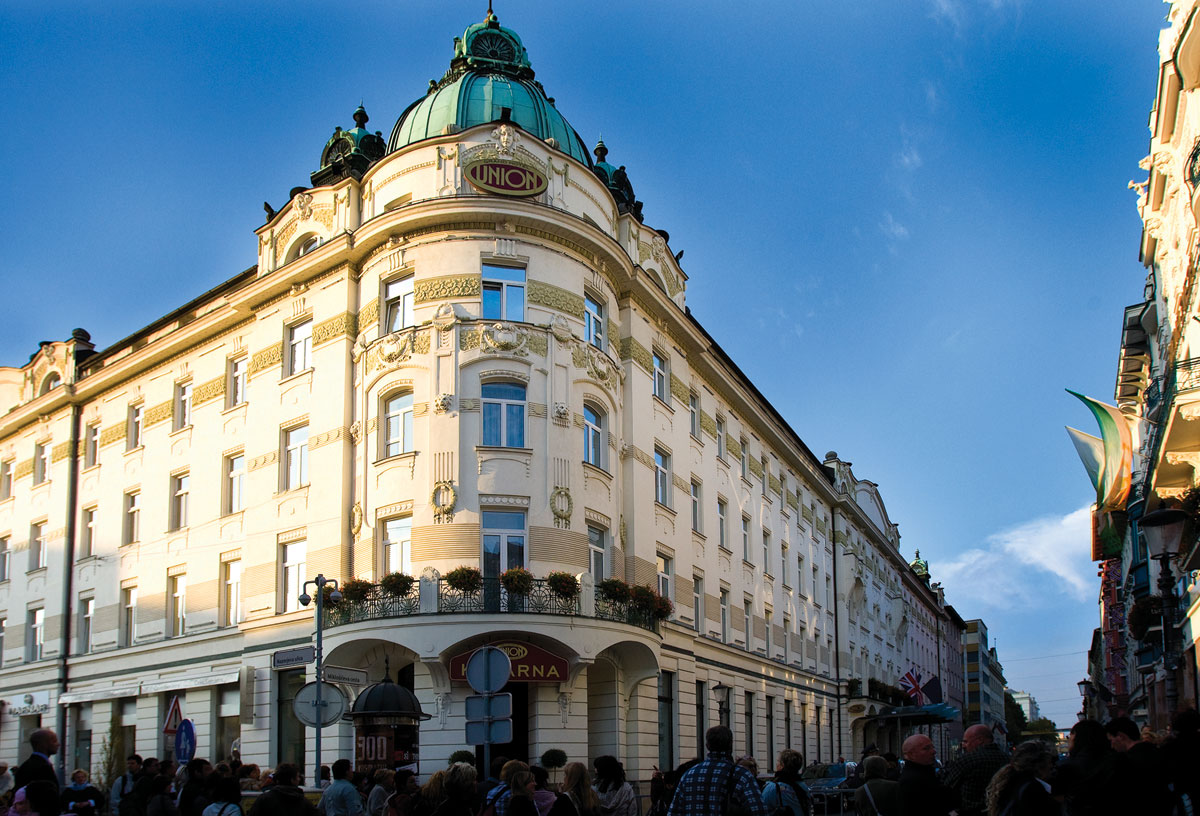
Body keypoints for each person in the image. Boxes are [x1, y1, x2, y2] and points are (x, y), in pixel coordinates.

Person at [667, 725, 768, 816]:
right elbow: (759, 811)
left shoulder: (689, 775)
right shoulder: (742, 776)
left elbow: (674, 811)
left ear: (707, 746)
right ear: (730, 745)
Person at [1104, 716, 1170, 815]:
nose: (1111, 745)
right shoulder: (1158, 752)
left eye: (1111, 740)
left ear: (1121, 736)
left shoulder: (1125, 762)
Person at [1054, 719, 1117, 816]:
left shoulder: (1065, 767)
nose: (1068, 740)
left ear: (1076, 736)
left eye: (1069, 736)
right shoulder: (1117, 761)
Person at [943, 725, 1009, 816]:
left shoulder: (967, 761)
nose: (963, 746)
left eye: (966, 741)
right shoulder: (1007, 759)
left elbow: (946, 785)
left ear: (980, 740)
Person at [984, 741, 1060, 816]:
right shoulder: (1033, 789)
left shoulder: (1011, 782)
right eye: (1050, 762)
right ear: (1039, 765)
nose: (1052, 766)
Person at [898, 734, 956, 816]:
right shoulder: (912, 780)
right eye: (926, 748)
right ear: (911, 754)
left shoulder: (923, 773)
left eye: (933, 747)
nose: (933, 751)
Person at [247, 764, 316, 816]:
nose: (299, 779)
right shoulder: (302, 801)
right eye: (297, 776)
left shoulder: (264, 799)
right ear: (292, 780)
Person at [761, 749, 810, 816]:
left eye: (778, 761)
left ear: (782, 765)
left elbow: (762, 808)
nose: (776, 764)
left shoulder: (773, 788)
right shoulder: (803, 786)